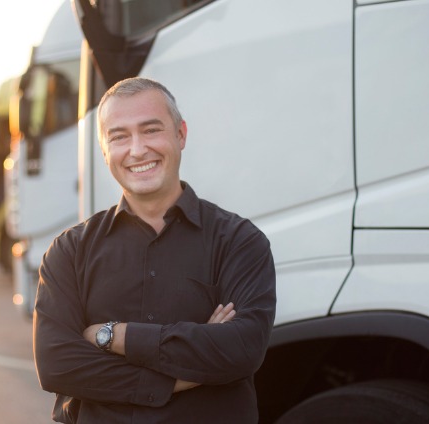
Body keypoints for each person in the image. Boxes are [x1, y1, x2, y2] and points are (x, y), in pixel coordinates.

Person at [33, 77, 277, 423]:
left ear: (181, 135)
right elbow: (57, 364)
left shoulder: (239, 241)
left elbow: (241, 349)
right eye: (119, 136)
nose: (137, 150)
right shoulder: (69, 251)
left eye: (151, 130)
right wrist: (181, 375)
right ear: (104, 150)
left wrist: (113, 336)